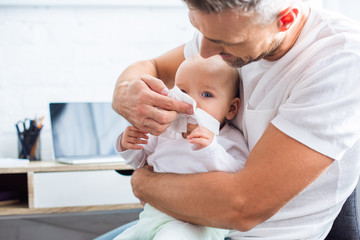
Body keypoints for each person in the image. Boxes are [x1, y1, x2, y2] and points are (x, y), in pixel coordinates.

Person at [109, 0, 360, 239]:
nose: (206, 52)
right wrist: (124, 92)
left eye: (223, 41)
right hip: (171, 217)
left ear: (286, 20)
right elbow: (153, 66)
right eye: (199, 31)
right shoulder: (226, 27)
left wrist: (143, 184)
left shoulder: (339, 61)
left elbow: (242, 207)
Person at [113, 55, 249, 240]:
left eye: (207, 94)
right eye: (183, 91)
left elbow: (238, 175)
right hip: (152, 215)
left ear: (231, 108)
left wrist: (210, 149)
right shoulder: (166, 131)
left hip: (197, 225)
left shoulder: (227, 139)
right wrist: (128, 144)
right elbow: (140, 163)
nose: (190, 103)